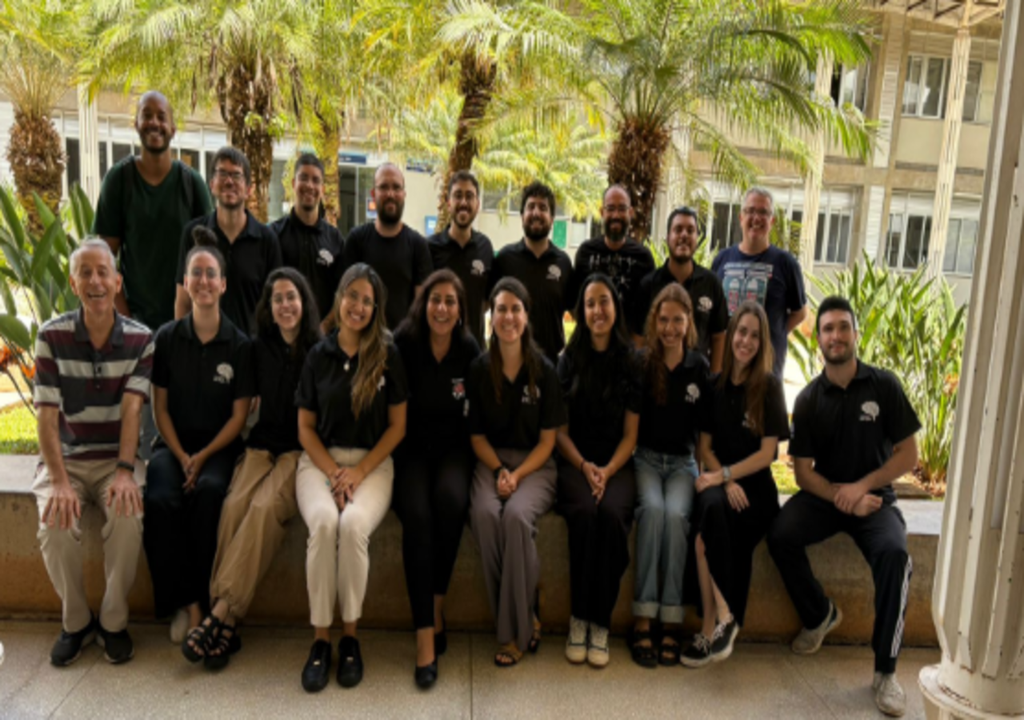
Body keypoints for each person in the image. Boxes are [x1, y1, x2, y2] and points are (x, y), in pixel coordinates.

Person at [767, 296, 919, 718]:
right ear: (818, 341)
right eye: (828, 329)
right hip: (827, 498)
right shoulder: (811, 399)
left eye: (842, 327)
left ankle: (886, 672)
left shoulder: (883, 385)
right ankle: (819, 615)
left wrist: (863, 488)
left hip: (875, 501)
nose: (836, 336)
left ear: (856, 334)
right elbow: (801, 473)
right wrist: (840, 496)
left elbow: (909, 455)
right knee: (780, 535)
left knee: (895, 555)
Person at [186, 268, 322, 670]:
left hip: (299, 451)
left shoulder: (319, 348)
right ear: (269, 306)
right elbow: (245, 409)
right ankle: (226, 623)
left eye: (291, 297)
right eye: (277, 298)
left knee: (264, 510)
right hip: (262, 445)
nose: (284, 305)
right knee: (233, 506)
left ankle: (221, 615)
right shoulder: (253, 348)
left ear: (304, 303)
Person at [32, 239, 154, 666]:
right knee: (54, 523)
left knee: (127, 515)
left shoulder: (141, 340)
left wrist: (124, 471)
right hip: (65, 458)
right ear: (72, 282)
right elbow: (46, 419)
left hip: (113, 459)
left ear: (117, 281)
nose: (95, 281)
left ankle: (114, 622)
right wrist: (60, 482)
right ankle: (77, 622)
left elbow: (133, 410)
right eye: (85, 272)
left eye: (103, 272)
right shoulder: (51, 336)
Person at [295, 263, 408, 692]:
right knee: (324, 523)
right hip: (320, 462)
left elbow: (398, 427)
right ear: (339, 297)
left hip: (372, 464)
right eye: (352, 295)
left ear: (375, 308)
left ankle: (350, 639)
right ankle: (320, 641)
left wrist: (358, 473)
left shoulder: (387, 354)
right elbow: (304, 428)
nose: (358, 306)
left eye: (367, 300)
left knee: (353, 524)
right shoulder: (318, 355)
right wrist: (334, 473)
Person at [145, 231, 253, 650]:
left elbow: (239, 416)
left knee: (209, 495)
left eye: (212, 274)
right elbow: (160, 410)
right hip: (172, 446)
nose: (204, 281)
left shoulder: (239, 345)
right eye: (196, 274)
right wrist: (181, 455)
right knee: (160, 499)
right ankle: (186, 603)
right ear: (186, 283)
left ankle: (209, 602)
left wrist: (203, 457)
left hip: (220, 449)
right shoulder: (168, 339)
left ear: (223, 284)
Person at [93, 91, 213, 460]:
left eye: (161, 116)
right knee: (143, 426)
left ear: (173, 128)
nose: (154, 123)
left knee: (188, 421)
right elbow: (103, 261)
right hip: (139, 324)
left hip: (187, 326)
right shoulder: (120, 180)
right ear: (137, 124)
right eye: (147, 115)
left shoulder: (191, 183)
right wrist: (125, 319)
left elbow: (211, 255)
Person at [680, 300, 789, 668]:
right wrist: (723, 480)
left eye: (754, 336)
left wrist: (726, 476)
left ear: (762, 343)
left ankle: (710, 625)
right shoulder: (714, 385)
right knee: (707, 516)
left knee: (703, 534)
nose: (745, 341)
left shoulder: (770, 388)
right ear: (732, 335)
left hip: (755, 492)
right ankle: (723, 618)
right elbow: (704, 448)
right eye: (741, 332)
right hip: (723, 483)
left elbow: (768, 454)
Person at [468, 277, 565, 667]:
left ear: (526, 317)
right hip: (490, 459)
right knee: (486, 515)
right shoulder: (479, 368)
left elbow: (547, 442)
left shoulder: (544, 370)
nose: (508, 317)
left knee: (517, 517)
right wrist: (499, 471)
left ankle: (511, 634)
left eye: (516, 309)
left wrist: (517, 475)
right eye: (501, 309)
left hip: (535, 464)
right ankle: (526, 609)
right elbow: (476, 438)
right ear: (492, 317)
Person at [393, 269, 482, 688]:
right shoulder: (404, 343)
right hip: (409, 449)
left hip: (454, 450)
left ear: (461, 310)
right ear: (423, 304)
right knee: (417, 515)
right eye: (435, 300)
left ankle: (437, 603)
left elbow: (477, 416)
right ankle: (424, 637)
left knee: (449, 501)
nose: (442, 308)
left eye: (450, 301)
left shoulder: (469, 350)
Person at [554, 274, 640, 668]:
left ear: (615, 307)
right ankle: (578, 618)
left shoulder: (631, 362)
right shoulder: (567, 360)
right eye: (590, 304)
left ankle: (599, 623)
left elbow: (631, 435)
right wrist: (586, 466)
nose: (597, 310)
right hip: (575, 461)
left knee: (610, 516)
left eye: (604, 301)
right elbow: (559, 433)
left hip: (617, 464)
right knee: (586, 515)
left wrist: (607, 470)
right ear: (581, 312)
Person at [629, 283, 711, 668]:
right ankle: (643, 616)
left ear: (689, 322)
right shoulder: (642, 363)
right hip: (646, 459)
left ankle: (671, 620)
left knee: (678, 517)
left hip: (681, 464)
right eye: (663, 320)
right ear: (654, 321)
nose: (670, 328)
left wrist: (710, 474)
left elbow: (704, 438)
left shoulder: (700, 367)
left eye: (678, 320)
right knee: (653, 512)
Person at [176, 147, 282, 336]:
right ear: (212, 184)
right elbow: (183, 300)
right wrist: (182, 344)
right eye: (222, 173)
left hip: (249, 353)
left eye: (237, 175)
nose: (229, 181)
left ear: (249, 189)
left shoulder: (267, 240)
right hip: (203, 350)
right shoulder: (192, 234)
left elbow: (273, 306)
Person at [711, 187, 807, 377]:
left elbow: (800, 312)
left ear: (772, 221)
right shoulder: (722, 260)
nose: (756, 218)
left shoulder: (786, 264)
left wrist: (771, 333)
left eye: (763, 212)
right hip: (727, 370)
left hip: (766, 372)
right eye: (750, 211)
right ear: (741, 218)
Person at [633, 207, 728, 371]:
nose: (684, 235)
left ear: (697, 239)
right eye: (678, 230)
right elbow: (639, 339)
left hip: (698, 383)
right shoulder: (649, 284)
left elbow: (719, 337)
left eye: (690, 230)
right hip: (656, 379)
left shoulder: (711, 284)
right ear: (667, 237)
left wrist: (713, 380)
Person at [341, 163, 433, 329]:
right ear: (373, 193)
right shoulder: (356, 240)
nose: (390, 194)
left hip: (402, 347)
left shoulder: (418, 245)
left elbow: (422, 306)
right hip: (362, 344)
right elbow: (344, 297)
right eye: (383, 187)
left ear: (404, 194)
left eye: (396, 187)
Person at [491, 182, 573, 363]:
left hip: (552, 367)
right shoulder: (504, 259)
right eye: (530, 207)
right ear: (522, 216)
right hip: (509, 365)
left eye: (543, 208)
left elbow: (577, 316)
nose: (536, 213)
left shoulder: (564, 263)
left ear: (552, 219)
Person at [568, 185, 654, 339]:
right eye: (611, 208)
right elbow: (576, 306)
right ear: (602, 212)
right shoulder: (585, 253)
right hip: (592, 349)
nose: (616, 215)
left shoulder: (644, 258)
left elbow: (648, 313)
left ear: (631, 213)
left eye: (622, 208)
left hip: (629, 352)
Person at [269, 154, 345, 320]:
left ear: (323, 189)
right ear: (293, 184)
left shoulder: (335, 239)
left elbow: (342, 293)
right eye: (304, 178)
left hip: (323, 339)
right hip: (282, 337)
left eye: (316, 180)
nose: (310, 185)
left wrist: (323, 330)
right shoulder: (273, 235)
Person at [427, 171, 494, 346]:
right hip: (438, 349)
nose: (463, 202)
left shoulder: (485, 247)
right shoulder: (430, 247)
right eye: (458, 196)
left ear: (477, 205)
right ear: (449, 204)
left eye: (469, 196)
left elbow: (487, 300)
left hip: (475, 351)